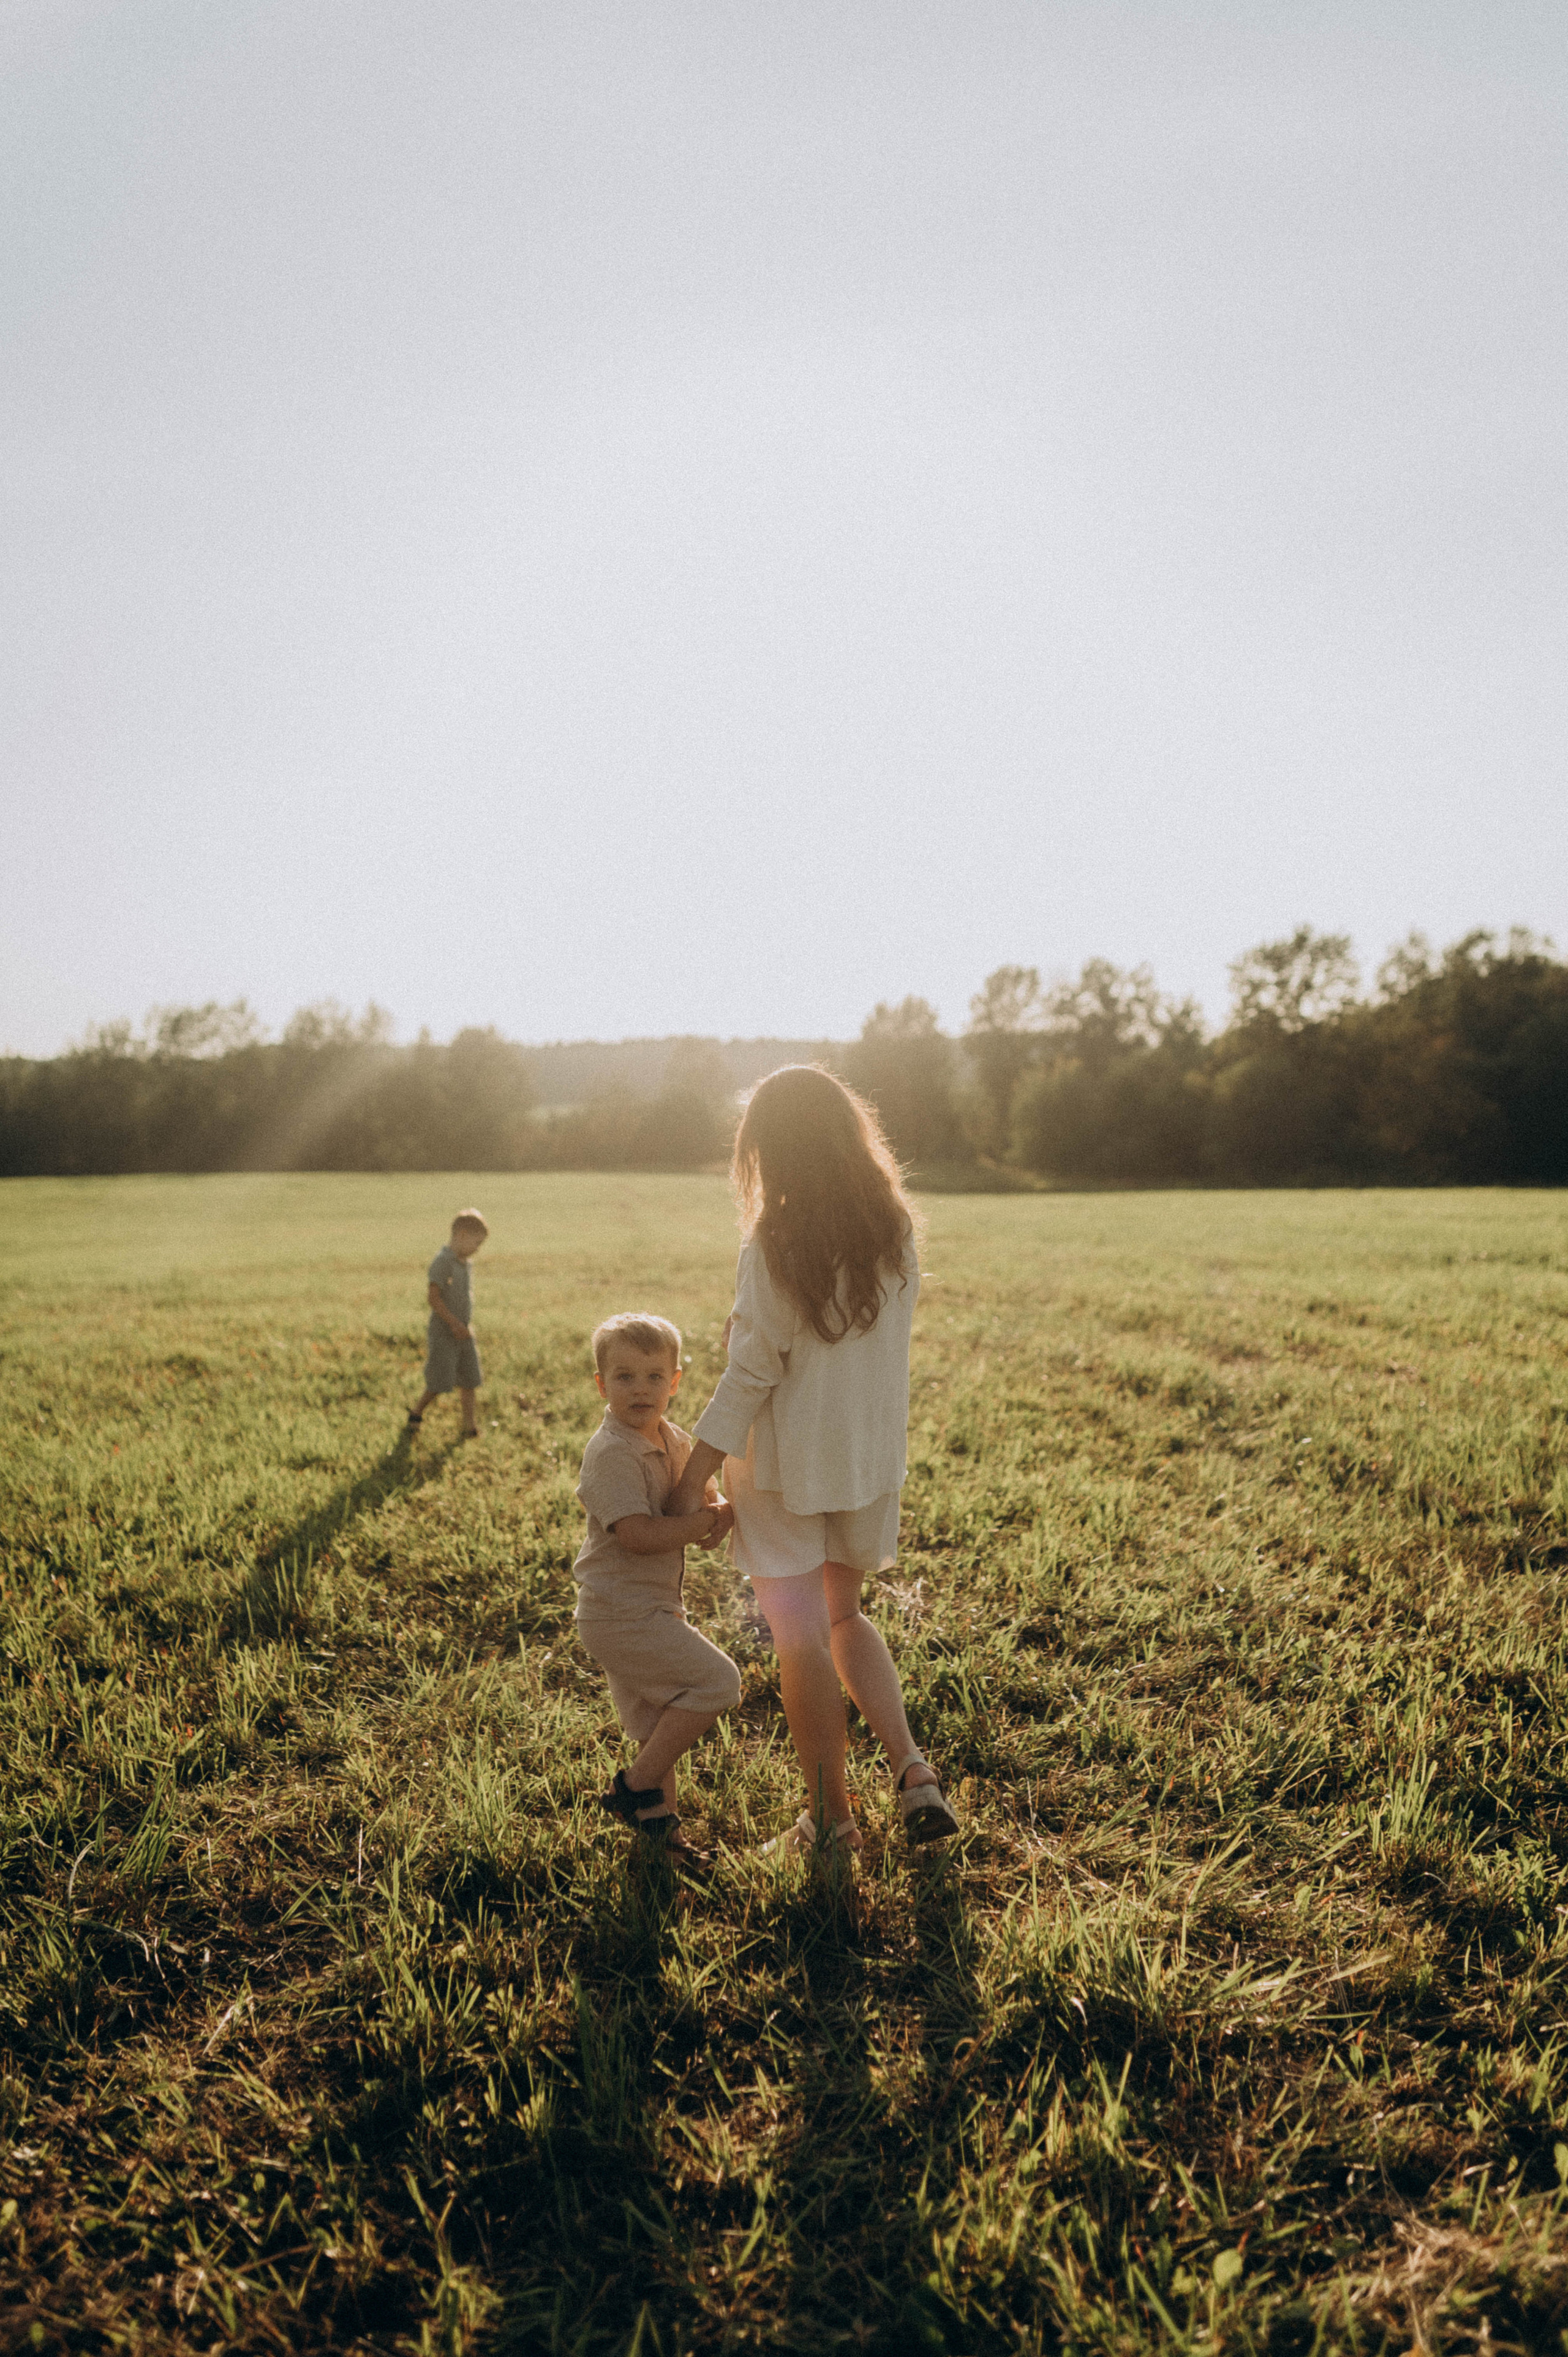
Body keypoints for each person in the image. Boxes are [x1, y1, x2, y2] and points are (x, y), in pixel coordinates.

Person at [667, 1065, 959, 1858]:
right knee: (844, 1615)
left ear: (769, 1151)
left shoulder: (775, 1243)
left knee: (799, 1637)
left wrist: (694, 1471)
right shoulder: (894, 1231)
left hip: (784, 1470)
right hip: (867, 1462)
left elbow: (753, 1370)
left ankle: (832, 1825)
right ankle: (914, 1770)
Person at [573, 1313, 741, 1874]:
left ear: (675, 1381)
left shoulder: (677, 1441)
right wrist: (698, 1526)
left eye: (653, 1376)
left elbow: (702, 1511)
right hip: (619, 1613)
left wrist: (717, 1515)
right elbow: (640, 1535)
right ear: (601, 1384)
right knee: (719, 1682)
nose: (640, 1388)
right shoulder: (611, 1452)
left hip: (649, 1608)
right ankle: (634, 1786)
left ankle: (661, 1843)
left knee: (656, 1727)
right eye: (624, 1377)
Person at [407, 1208, 488, 1438]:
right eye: (477, 1243)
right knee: (439, 1380)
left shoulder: (466, 1263)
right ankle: (416, 1412)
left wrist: (463, 1325)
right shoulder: (442, 1262)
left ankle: (469, 1426)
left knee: (470, 1378)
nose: (478, 1249)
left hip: (464, 1331)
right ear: (462, 1235)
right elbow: (433, 1298)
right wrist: (453, 1323)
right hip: (445, 1332)